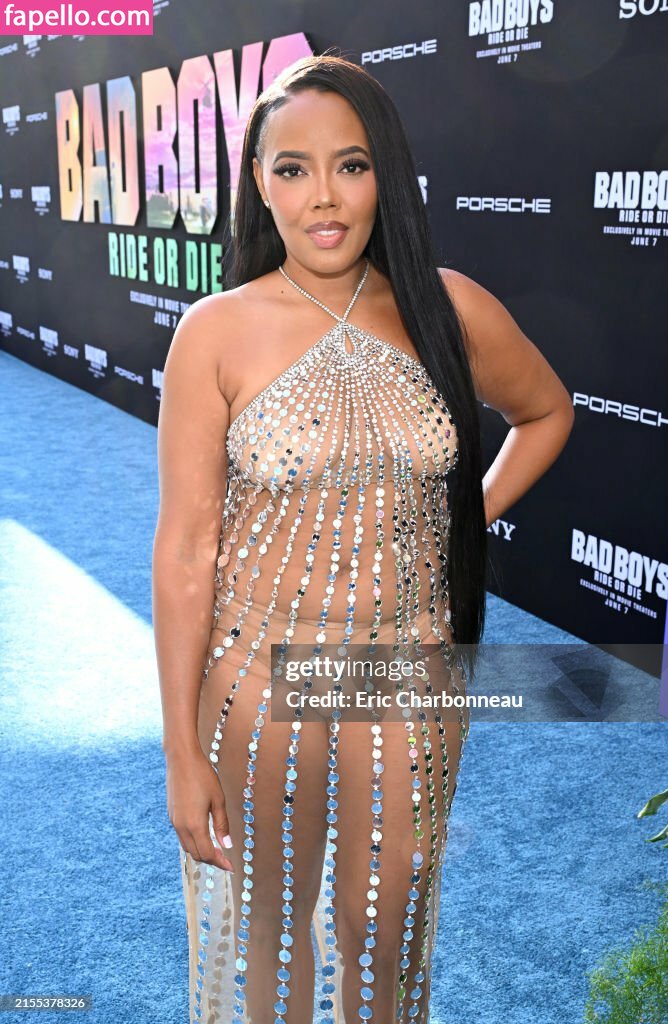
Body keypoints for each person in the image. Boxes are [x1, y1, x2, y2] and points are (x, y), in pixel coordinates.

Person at [152, 53, 574, 1024]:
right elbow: (184, 552)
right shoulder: (214, 331)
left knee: (385, 926)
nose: (323, 197)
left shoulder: (447, 308)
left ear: (386, 172)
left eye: (349, 164)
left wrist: (460, 519)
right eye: (291, 168)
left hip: (409, 672)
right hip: (255, 675)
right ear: (258, 183)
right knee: (268, 942)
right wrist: (180, 750)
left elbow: (546, 411)